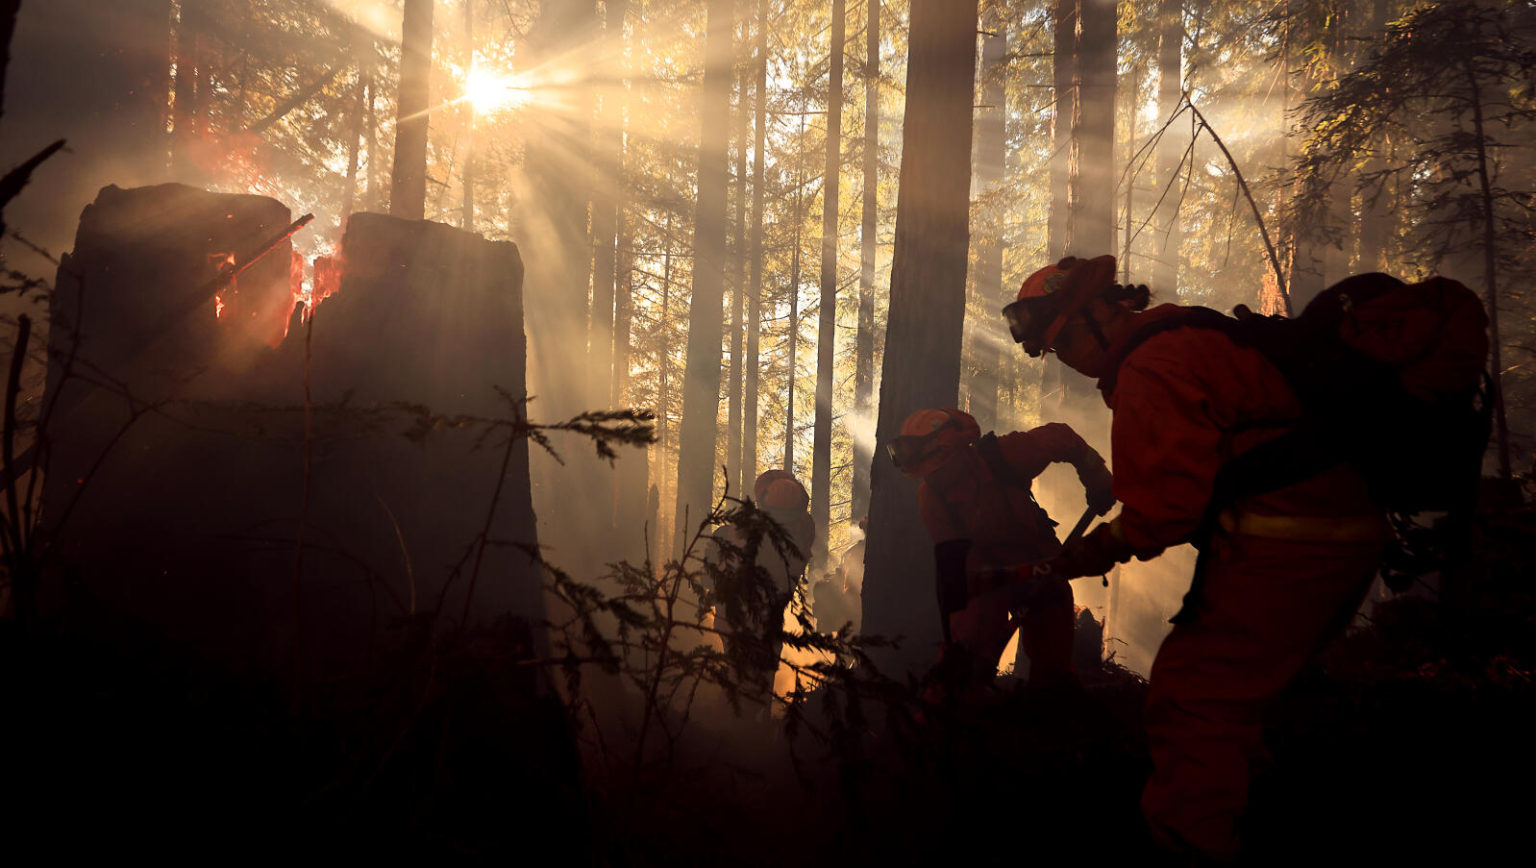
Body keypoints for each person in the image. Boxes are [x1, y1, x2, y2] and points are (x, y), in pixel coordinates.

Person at [1003, 254, 1386, 861]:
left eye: (1070, 335)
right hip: (1320, 529)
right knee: (1234, 693)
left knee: (1192, 699)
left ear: (1108, 307)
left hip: (1295, 537)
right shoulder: (1178, 333)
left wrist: (1086, 555)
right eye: (1056, 349)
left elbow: (1164, 514)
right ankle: (1258, 812)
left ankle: (1197, 844)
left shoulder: (1152, 368)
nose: (1069, 358)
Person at [889, 407, 1115, 691]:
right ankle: (948, 714)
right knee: (961, 659)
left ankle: (1053, 708)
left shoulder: (1005, 454)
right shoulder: (931, 497)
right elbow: (959, 568)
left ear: (956, 453)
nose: (932, 479)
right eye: (925, 475)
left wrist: (1097, 478)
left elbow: (1062, 437)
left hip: (1041, 558)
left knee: (1052, 659)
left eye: (937, 471)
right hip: (987, 575)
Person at [708, 470, 816, 704]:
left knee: (739, 678)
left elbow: (718, 573)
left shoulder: (745, 530)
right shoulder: (804, 528)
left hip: (738, 614)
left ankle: (733, 726)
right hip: (765, 615)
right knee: (760, 679)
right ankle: (754, 725)